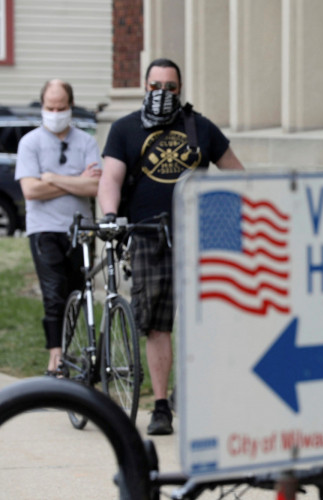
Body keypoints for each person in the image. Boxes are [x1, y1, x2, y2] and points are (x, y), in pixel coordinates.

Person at [97, 58, 243, 435]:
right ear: (145, 87)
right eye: (155, 85)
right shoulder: (125, 129)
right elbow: (110, 178)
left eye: (170, 87)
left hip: (200, 236)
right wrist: (111, 215)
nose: (163, 93)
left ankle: (191, 393)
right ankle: (161, 406)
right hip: (147, 236)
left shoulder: (200, 127)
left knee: (205, 320)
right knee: (157, 324)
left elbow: (239, 176)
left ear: (181, 89)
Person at [15, 79, 101, 376]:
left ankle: (67, 348)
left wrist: (50, 177)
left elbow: (95, 186)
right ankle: (56, 359)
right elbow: (30, 191)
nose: (55, 112)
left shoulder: (86, 141)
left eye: (61, 107)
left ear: (70, 106)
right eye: (50, 107)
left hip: (81, 229)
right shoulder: (30, 143)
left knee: (77, 293)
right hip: (44, 229)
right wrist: (75, 180)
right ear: (42, 107)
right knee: (54, 294)